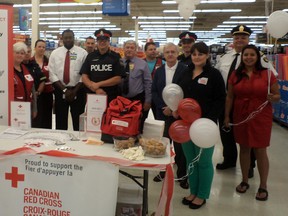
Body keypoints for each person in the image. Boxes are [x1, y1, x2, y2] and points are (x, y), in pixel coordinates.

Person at [215, 25, 278, 176]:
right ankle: (229, 160)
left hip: (249, 102)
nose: (239, 40)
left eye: (243, 37)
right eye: (237, 38)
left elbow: (271, 76)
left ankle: (249, 166)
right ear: (233, 39)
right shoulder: (224, 57)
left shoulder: (258, 57)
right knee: (226, 133)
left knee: (250, 136)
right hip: (227, 100)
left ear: (248, 39)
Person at [224, 44, 280, 201]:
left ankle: (263, 185)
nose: (248, 57)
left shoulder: (267, 74)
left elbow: (277, 95)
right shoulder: (236, 75)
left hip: (261, 114)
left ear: (257, 57)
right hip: (240, 114)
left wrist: (273, 98)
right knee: (244, 148)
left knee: (260, 150)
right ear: (242, 57)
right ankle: (244, 180)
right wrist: (227, 116)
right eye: (245, 55)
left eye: (252, 55)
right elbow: (230, 97)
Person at [179, 42, 226, 209]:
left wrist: (209, 119)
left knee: (204, 161)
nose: (197, 57)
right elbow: (179, 94)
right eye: (194, 54)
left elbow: (221, 98)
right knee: (191, 160)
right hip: (186, 124)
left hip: (205, 126)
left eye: (200, 54)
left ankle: (202, 194)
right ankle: (193, 191)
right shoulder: (185, 72)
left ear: (207, 55)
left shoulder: (214, 75)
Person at [151, 42, 188, 189]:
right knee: (164, 143)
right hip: (163, 112)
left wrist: (176, 108)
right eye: (167, 52)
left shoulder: (185, 70)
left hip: (179, 114)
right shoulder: (159, 71)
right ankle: (163, 171)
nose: (170, 54)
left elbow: (186, 91)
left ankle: (182, 173)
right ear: (164, 54)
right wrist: (163, 106)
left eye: (173, 52)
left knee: (180, 145)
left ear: (177, 53)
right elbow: (154, 91)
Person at [49, 29, 87, 131]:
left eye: (70, 37)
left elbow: (85, 74)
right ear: (62, 39)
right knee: (60, 121)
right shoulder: (55, 53)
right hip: (60, 90)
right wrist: (65, 90)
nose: (68, 40)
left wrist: (74, 91)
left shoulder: (83, 53)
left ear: (74, 38)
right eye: (66, 38)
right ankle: (61, 141)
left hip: (78, 91)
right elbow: (52, 74)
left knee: (78, 121)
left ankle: (79, 142)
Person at [81, 28, 123, 104]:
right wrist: (95, 89)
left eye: (105, 40)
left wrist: (98, 84)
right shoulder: (90, 56)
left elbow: (118, 78)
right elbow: (84, 76)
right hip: (93, 95)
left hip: (111, 96)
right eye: (100, 40)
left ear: (108, 41)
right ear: (97, 42)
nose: (102, 42)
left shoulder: (116, 56)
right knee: (93, 116)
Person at [121, 40, 152, 133]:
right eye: (127, 47)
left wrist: (148, 100)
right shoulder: (118, 62)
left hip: (137, 99)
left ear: (136, 50)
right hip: (121, 99)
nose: (129, 50)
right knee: (123, 122)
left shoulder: (142, 64)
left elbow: (148, 82)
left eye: (132, 48)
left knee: (138, 124)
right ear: (123, 49)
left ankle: (137, 143)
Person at [30, 39, 54, 129]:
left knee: (47, 116)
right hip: (35, 94)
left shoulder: (49, 61)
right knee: (36, 116)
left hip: (48, 93)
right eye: (39, 46)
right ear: (35, 48)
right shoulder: (30, 62)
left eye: (43, 47)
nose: (41, 48)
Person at [13, 42, 38, 119]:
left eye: (22, 53)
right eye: (17, 53)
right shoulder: (6, 70)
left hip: (26, 108)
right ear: (12, 53)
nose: (20, 55)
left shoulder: (25, 69)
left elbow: (32, 89)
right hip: (13, 108)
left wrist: (34, 108)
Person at [144, 41, 165, 119]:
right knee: (141, 118)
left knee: (159, 118)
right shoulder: (141, 63)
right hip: (145, 95)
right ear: (145, 51)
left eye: (154, 49)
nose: (153, 51)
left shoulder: (163, 63)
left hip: (158, 96)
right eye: (150, 49)